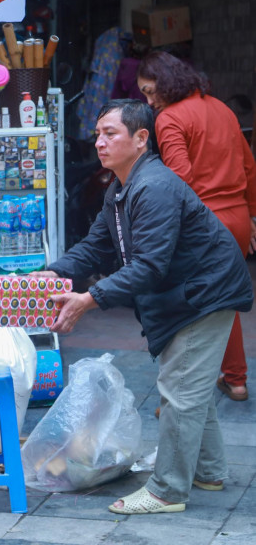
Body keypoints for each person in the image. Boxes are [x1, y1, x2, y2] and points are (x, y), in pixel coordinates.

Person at [35, 99, 253, 514]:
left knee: (180, 393)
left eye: (110, 134)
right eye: (98, 134)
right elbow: (97, 245)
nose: (99, 143)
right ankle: (208, 471)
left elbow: (150, 266)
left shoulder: (153, 186)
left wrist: (89, 299)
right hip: (188, 293)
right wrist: (54, 273)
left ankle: (167, 491)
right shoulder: (121, 188)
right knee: (191, 390)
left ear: (141, 140)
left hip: (204, 294)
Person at [136, 51, 256, 401]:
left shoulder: (170, 117)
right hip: (236, 218)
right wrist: (250, 216)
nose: (148, 100)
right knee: (225, 299)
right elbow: (249, 167)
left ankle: (172, 396)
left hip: (203, 221)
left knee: (184, 304)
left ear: (164, 81)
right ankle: (235, 379)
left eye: (149, 90)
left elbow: (179, 181)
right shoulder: (222, 109)